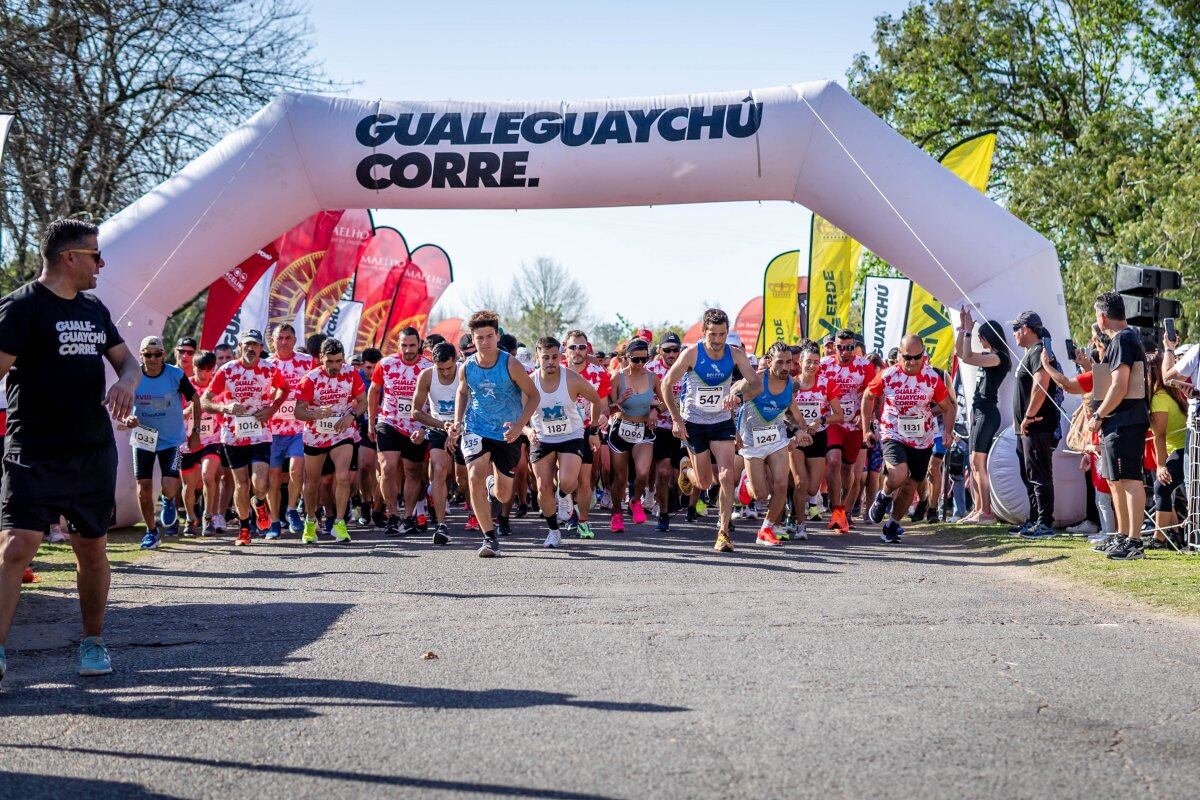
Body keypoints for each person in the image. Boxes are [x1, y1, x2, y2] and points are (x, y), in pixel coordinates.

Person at [0, 218, 140, 681]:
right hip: (33, 450)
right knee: (15, 547)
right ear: (70, 257)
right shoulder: (21, 308)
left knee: (92, 550)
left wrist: (124, 384)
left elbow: (129, 363)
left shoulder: (94, 308)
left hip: (91, 451)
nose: (102, 263)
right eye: (96, 256)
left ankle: (93, 642)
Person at [664, 308, 761, 552]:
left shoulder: (735, 354)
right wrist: (676, 419)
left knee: (727, 476)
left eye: (722, 334)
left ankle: (723, 533)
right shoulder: (691, 354)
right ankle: (686, 470)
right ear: (704, 332)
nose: (718, 340)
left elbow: (756, 385)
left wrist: (738, 396)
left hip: (721, 421)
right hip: (694, 422)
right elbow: (666, 384)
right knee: (705, 481)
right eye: (713, 335)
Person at [450, 310, 539, 557]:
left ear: (497, 337)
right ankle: (489, 538)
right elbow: (462, 392)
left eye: (490, 336)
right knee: (474, 475)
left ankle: (493, 489)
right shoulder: (467, 367)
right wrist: (457, 421)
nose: (485, 342)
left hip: (506, 432)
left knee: (502, 493)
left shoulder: (510, 364)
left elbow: (534, 396)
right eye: (480, 338)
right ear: (472, 339)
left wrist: (520, 425)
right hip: (476, 427)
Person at [863, 335, 956, 543]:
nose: (913, 362)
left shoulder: (932, 377)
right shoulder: (888, 376)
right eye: (907, 357)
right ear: (898, 357)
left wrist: (948, 432)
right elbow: (868, 397)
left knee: (910, 485)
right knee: (898, 474)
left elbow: (947, 406)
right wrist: (866, 429)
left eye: (917, 357)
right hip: (893, 432)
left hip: (922, 438)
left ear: (924, 355)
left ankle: (892, 525)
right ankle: (884, 495)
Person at [201, 329, 289, 546]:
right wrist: (224, 407)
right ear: (240, 347)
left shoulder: (269, 368)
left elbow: (284, 389)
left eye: (255, 345)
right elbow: (205, 401)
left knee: (261, 482)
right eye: (247, 344)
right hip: (233, 435)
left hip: (260, 432)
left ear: (261, 347)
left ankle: (259, 502)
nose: (251, 348)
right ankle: (244, 529)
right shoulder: (228, 370)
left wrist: (271, 409)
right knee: (241, 484)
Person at [122, 335, 201, 549]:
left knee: (168, 486)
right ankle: (151, 532)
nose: (153, 358)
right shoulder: (133, 376)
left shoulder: (175, 375)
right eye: (148, 354)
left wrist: (195, 431)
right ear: (141, 356)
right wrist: (127, 419)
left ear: (164, 355)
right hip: (143, 438)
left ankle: (167, 500)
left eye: (157, 354)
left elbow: (195, 400)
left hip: (170, 439)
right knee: (143, 489)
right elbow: (121, 406)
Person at [526, 337, 604, 548]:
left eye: (554, 357)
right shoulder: (530, 382)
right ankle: (553, 531)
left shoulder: (571, 378)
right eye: (545, 358)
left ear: (560, 356)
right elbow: (518, 414)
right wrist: (526, 430)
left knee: (569, 482)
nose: (550, 362)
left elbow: (596, 400)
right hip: (542, 437)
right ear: (537, 357)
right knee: (542, 488)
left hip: (571, 435)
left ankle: (564, 496)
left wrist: (594, 429)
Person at [1090, 292, 1150, 560]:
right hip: (1119, 422)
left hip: (1125, 421)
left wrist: (1099, 414)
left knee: (1129, 479)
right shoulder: (1123, 339)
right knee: (1116, 480)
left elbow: (1119, 385)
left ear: (1103, 316)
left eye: (1096, 315)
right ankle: (1123, 535)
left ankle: (1134, 541)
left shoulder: (1123, 339)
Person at [736, 342, 808, 545]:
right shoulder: (757, 379)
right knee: (760, 494)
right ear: (769, 362)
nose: (786, 367)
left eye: (788, 362)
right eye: (780, 362)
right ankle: (746, 483)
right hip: (751, 440)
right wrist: (734, 431)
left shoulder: (790, 384)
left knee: (782, 484)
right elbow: (732, 395)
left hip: (776, 439)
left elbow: (795, 414)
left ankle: (766, 530)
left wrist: (802, 430)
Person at [294, 338, 366, 544]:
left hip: (342, 432)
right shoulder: (310, 379)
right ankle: (310, 521)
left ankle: (339, 524)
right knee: (312, 483)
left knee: (343, 477)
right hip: (315, 436)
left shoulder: (351, 373)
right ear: (321, 358)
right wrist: (315, 413)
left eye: (338, 361)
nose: (335, 367)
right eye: (330, 362)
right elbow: (298, 411)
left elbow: (363, 402)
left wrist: (351, 416)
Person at [368, 327, 432, 537]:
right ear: (398, 345)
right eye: (404, 345)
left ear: (419, 345)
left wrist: (427, 427)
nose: (408, 350)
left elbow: (436, 397)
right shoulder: (386, 364)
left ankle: (408, 516)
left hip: (416, 426)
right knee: (387, 468)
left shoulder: (428, 367)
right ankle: (393, 515)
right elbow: (374, 390)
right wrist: (371, 421)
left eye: (412, 345)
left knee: (413, 472)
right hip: (389, 422)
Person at [954, 309, 1010, 524]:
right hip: (979, 411)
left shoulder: (999, 358)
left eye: (980, 337)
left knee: (979, 462)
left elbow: (967, 357)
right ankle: (977, 509)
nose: (978, 340)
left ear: (989, 337)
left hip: (987, 411)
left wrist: (968, 331)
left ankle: (986, 512)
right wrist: (961, 329)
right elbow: (961, 353)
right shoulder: (989, 357)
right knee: (973, 462)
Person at [1008, 311, 1061, 538]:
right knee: (1029, 474)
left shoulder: (1039, 352)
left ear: (1026, 329)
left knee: (1039, 475)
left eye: (1015, 329)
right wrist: (1017, 420)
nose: (1014, 334)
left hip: (1037, 426)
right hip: (1026, 428)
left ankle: (1044, 523)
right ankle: (1033, 520)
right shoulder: (1030, 353)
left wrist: (1028, 416)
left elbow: (1041, 386)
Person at [822, 329, 877, 533]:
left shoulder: (865, 366)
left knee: (849, 470)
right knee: (834, 461)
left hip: (854, 424)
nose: (845, 352)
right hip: (833, 421)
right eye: (840, 347)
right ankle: (836, 509)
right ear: (834, 346)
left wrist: (865, 418)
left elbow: (871, 394)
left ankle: (844, 508)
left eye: (849, 348)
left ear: (855, 347)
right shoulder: (825, 365)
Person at [789, 341, 844, 540]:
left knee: (812, 488)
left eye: (816, 362)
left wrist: (820, 419)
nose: (812, 366)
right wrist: (797, 426)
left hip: (818, 437)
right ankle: (800, 525)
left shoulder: (826, 383)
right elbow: (783, 411)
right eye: (808, 361)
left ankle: (792, 508)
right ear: (800, 362)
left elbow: (839, 415)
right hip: (795, 437)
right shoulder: (792, 384)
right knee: (801, 483)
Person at [263, 324, 313, 539]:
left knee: (296, 469)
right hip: (272, 430)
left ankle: (292, 509)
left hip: (299, 428)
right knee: (273, 477)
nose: (283, 342)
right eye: (279, 338)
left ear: (294, 339)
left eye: (288, 337)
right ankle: (274, 521)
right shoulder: (265, 365)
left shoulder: (307, 362)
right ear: (272, 341)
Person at [607, 338, 662, 532]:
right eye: (635, 359)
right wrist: (619, 400)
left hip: (643, 430)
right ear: (626, 357)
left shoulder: (652, 377)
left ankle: (635, 500)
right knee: (620, 478)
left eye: (644, 359)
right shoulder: (617, 377)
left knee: (643, 473)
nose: (640, 364)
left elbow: (664, 403)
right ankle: (616, 513)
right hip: (621, 429)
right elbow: (607, 408)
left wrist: (655, 411)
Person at [411, 341, 463, 545]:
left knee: (463, 479)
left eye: (449, 367)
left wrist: (456, 427)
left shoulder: (463, 373)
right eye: (441, 368)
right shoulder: (427, 376)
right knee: (439, 470)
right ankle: (441, 525)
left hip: (465, 426)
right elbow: (416, 412)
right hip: (440, 428)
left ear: (456, 361)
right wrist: (443, 425)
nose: (446, 373)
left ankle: (476, 514)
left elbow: (475, 405)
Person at [563, 330, 610, 539]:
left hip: (585, 430)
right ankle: (565, 504)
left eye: (582, 347)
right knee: (565, 479)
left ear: (587, 348)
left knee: (584, 479)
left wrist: (602, 419)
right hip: (560, 431)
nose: (577, 351)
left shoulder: (597, 373)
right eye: (573, 347)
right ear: (566, 348)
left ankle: (582, 521)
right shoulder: (557, 370)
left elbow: (604, 406)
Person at [179, 350, 223, 536]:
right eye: (200, 370)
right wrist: (196, 405)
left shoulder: (218, 385)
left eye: (209, 370)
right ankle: (190, 519)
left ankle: (208, 517)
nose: (205, 374)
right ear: (193, 367)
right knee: (188, 486)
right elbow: (179, 414)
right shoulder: (184, 385)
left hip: (212, 439)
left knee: (207, 476)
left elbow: (223, 410)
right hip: (187, 441)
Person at [1147, 351, 1186, 548]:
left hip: (1180, 449)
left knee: (1161, 487)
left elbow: (1159, 434)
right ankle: (1176, 536)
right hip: (1181, 449)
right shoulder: (1171, 393)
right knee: (1165, 489)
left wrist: (1161, 465)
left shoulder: (1159, 398)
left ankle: (1159, 538)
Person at [647, 332, 686, 532]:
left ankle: (677, 496)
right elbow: (642, 397)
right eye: (667, 350)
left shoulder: (688, 368)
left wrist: (660, 405)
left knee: (680, 475)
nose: (672, 354)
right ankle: (663, 514)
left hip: (686, 427)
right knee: (663, 472)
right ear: (660, 350)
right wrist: (655, 408)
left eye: (675, 350)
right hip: (661, 428)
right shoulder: (650, 370)